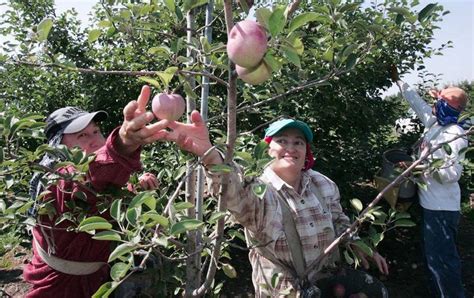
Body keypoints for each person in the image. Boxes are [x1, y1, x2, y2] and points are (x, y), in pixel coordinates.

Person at [166, 111, 389, 297]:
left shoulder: (322, 184)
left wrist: (361, 246)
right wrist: (210, 156)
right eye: (281, 141)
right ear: (267, 150)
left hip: (329, 284)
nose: (290, 147)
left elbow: (340, 222)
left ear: (306, 152)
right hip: (284, 291)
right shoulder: (259, 190)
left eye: (298, 142)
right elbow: (233, 193)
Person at [24, 86, 166, 297]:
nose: (95, 141)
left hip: (96, 277)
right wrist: (123, 144)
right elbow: (84, 181)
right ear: (58, 147)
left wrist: (135, 187)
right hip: (61, 286)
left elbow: (103, 192)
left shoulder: (90, 178)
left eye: (96, 132)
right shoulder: (55, 182)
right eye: (82, 135)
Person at [392, 69, 469, 298]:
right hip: (430, 204)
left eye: (439, 102)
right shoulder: (434, 123)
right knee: (434, 258)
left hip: (442, 210)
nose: (433, 106)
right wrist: (398, 80)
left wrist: (420, 167)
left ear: (448, 107)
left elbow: (452, 174)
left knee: (443, 262)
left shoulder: (454, 134)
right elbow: (416, 102)